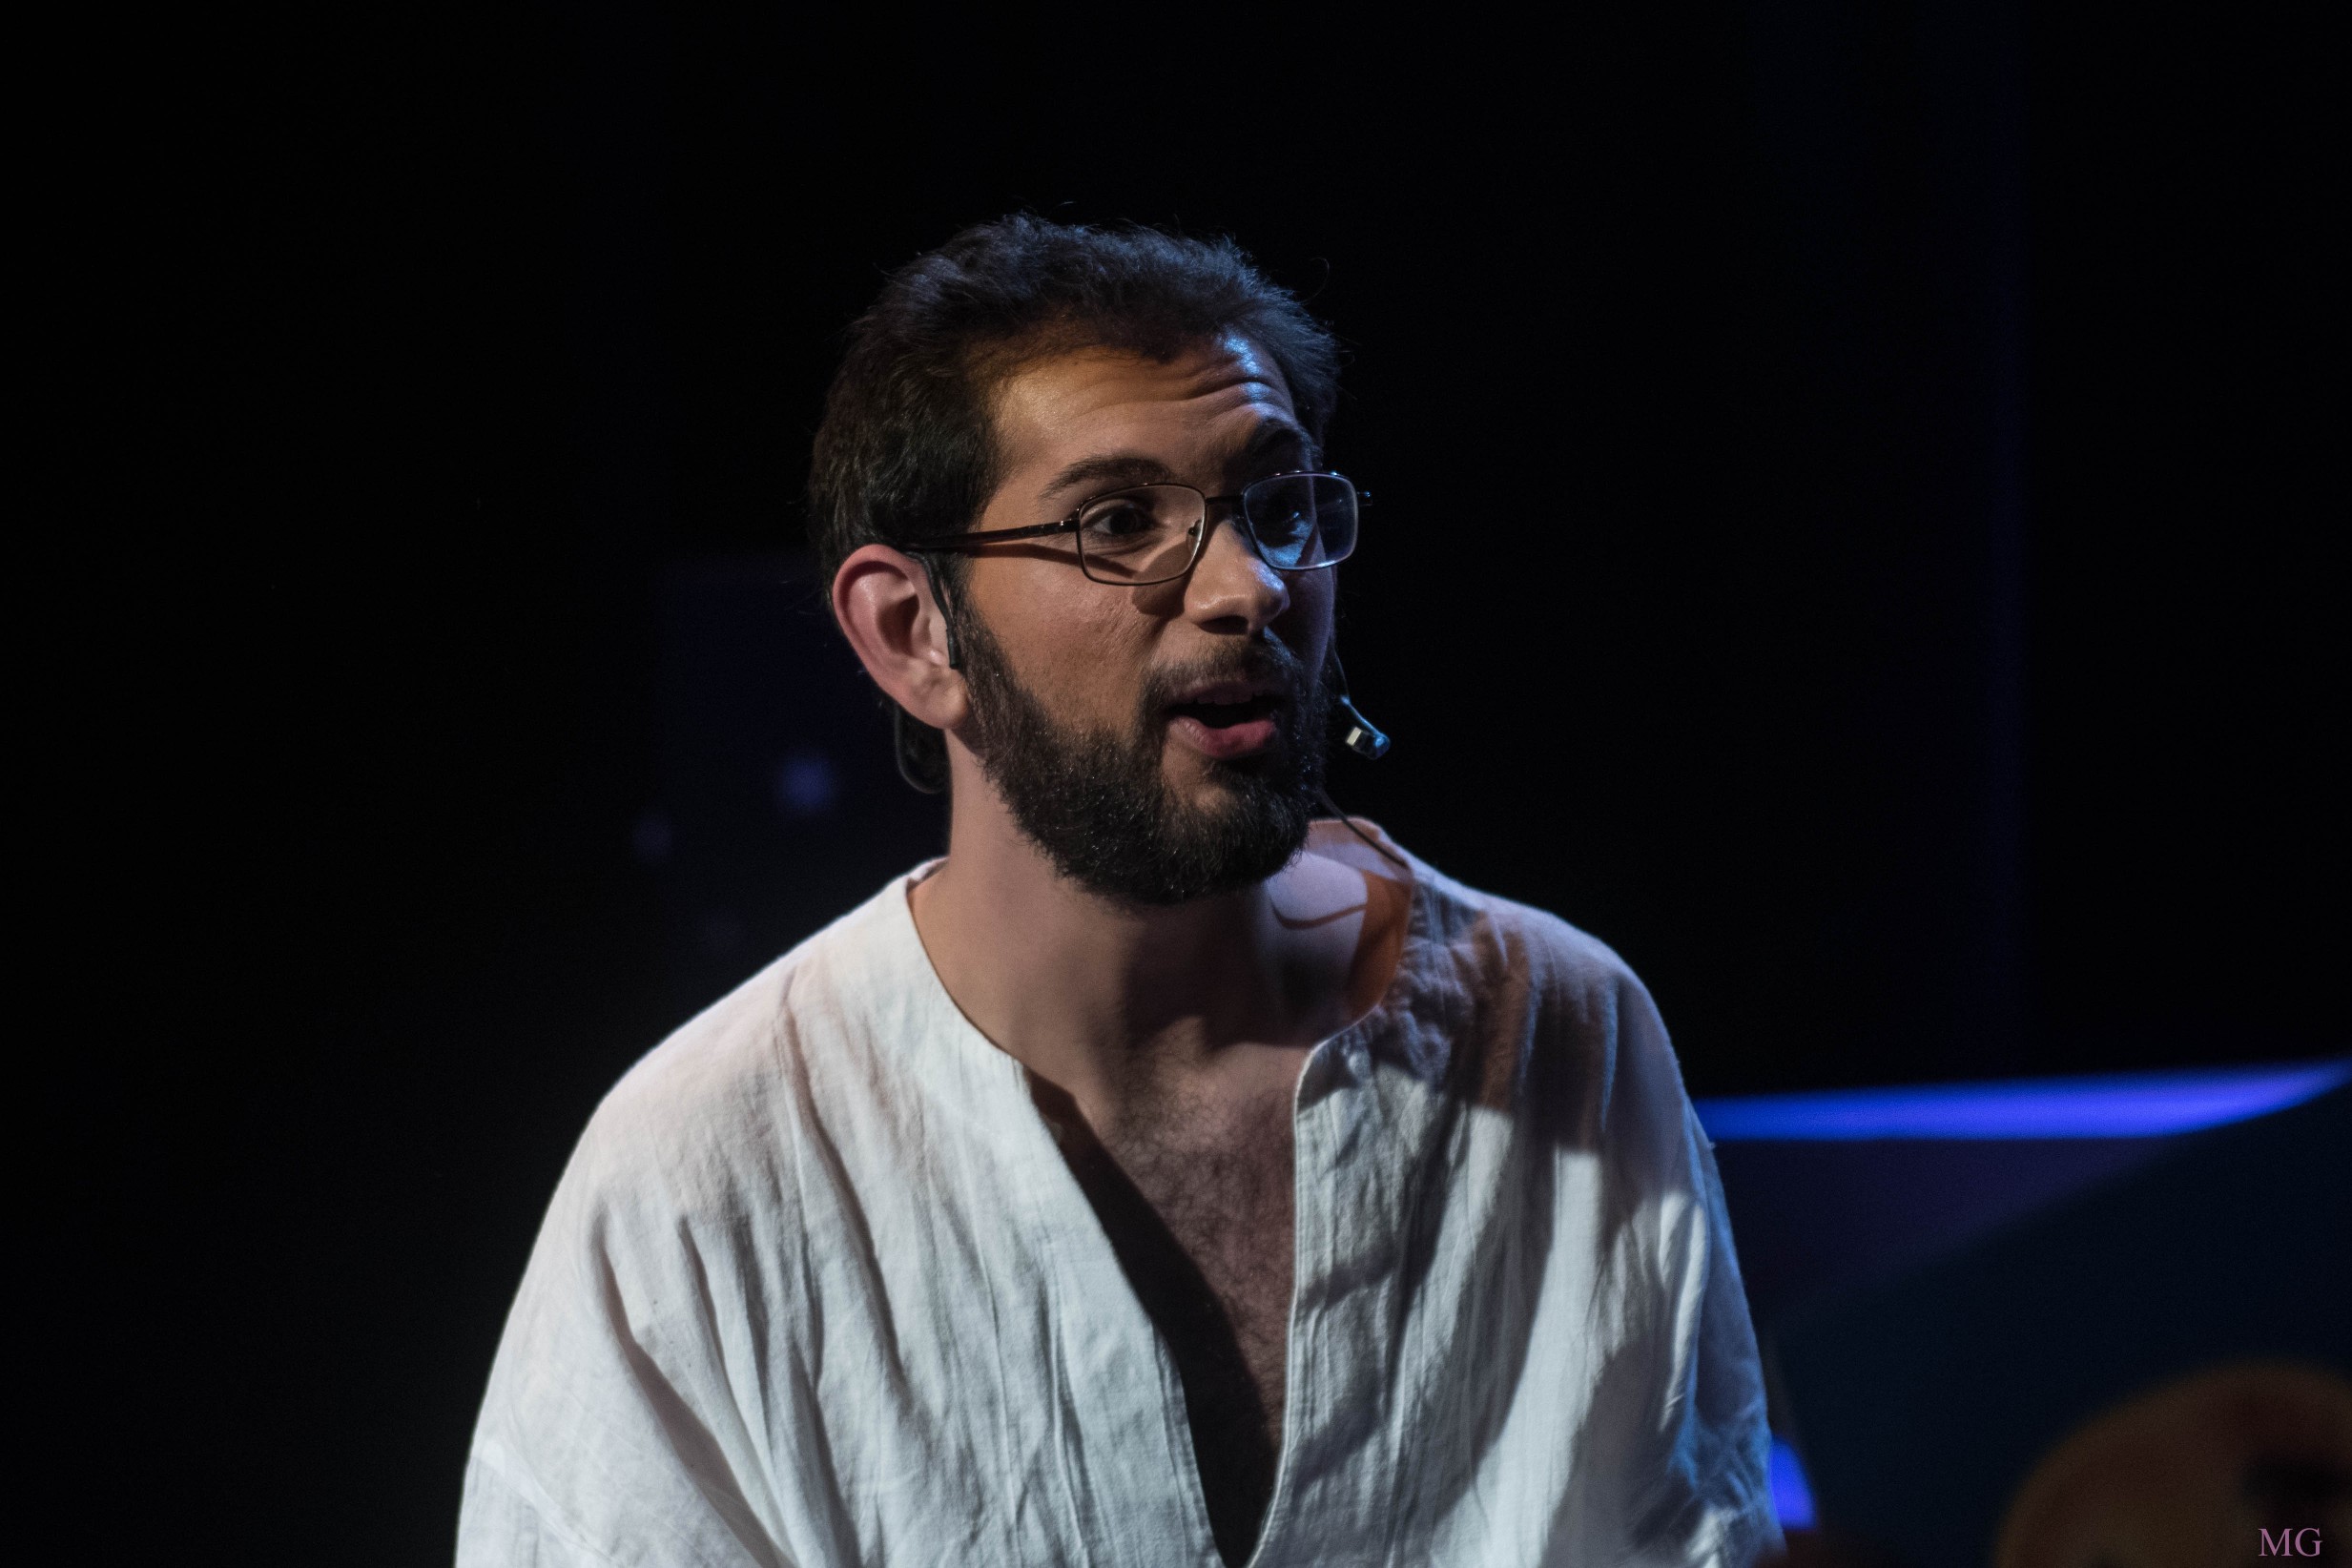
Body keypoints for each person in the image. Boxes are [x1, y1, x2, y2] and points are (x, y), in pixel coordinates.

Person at [457, 216, 1780, 1566]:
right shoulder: (706, 1169)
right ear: (913, 634)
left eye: (1277, 504)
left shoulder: (1556, 1029)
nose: (1250, 586)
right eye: (1116, 523)